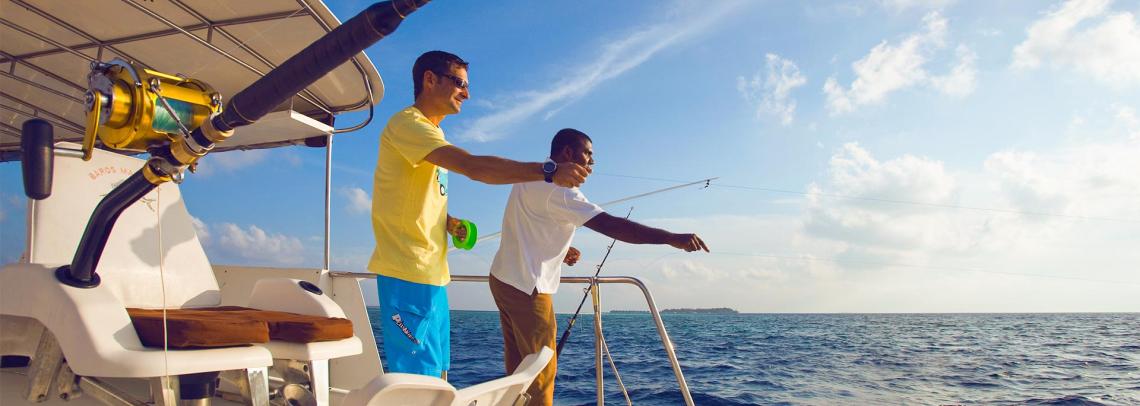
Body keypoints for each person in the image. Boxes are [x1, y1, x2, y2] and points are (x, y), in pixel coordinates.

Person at [369, 51, 592, 379]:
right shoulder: (408, 125)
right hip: (406, 273)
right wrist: (548, 171)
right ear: (430, 80)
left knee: (435, 375)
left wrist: (449, 223)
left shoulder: (431, 134)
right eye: (459, 83)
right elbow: (473, 167)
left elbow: (411, 196)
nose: (467, 94)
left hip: (431, 275)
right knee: (417, 381)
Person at [489, 128, 709, 405]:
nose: (592, 162)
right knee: (540, 376)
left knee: (518, 369)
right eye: (588, 154)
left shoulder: (531, 174)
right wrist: (670, 238)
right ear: (568, 153)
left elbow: (531, 222)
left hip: (502, 279)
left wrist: (561, 250)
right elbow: (613, 225)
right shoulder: (562, 192)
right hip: (528, 288)